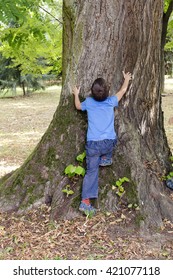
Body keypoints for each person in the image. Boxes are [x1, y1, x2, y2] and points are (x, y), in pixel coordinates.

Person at [73, 71, 132, 214]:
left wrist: (76, 94)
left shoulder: (89, 102)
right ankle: (106, 158)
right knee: (113, 139)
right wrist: (126, 79)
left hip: (93, 145)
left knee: (91, 172)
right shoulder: (111, 101)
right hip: (108, 143)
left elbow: (78, 107)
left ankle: (85, 202)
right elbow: (123, 90)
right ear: (107, 92)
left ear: (92, 92)